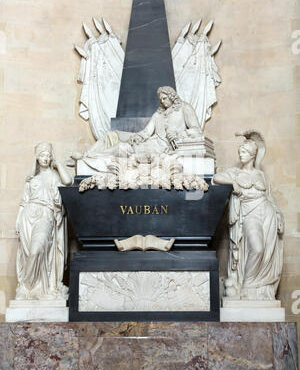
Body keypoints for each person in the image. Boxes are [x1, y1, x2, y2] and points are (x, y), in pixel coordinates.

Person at [212, 130, 284, 301]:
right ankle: (248, 285)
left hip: (267, 213)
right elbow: (216, 178)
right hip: (249, 212)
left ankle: (259, 290)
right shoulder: (235, 173)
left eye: (244, 152)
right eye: (240, 152)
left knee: (266, 251)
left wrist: (279, 215)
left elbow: (270, 197)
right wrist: (233, 183)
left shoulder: (261, 175)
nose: (240, 155)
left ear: (252, 155)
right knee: (257, 248)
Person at [71, 86, 203, 165]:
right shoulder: (159, 113)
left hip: (162, 148)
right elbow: (146, 132)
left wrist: (180, 134)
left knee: (122, 148)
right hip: (150, 142)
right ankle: (89, 154)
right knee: (112, 135)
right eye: (161, 99)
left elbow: (197, 131)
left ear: (171, 96)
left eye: (164, 98)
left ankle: (88, 157)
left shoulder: (185, 108)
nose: (162, 101)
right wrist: (138, 137)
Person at [15, 143, 72, 300]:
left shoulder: (55, 176)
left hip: (45, 214)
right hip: (27, 216)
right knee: (28, 253)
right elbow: (23, 202)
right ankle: (28, 290)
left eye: (48, 155)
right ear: (37, 158)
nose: (45, 158)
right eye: (42, 155)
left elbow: (68, 182)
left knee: (36, 249)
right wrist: (18, 220)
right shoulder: (31, 179)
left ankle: (30, 285)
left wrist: (58, 164)